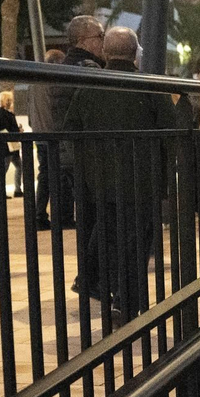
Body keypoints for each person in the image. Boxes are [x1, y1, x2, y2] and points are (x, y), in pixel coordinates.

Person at [67, 27, 182, 320]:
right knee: (137, 245)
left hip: (100, 182)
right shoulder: (148, 85)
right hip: (142, 181)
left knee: (109, 237)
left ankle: (99, 285)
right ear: (135, 53)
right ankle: (126, 303)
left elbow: (70, 129)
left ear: (105, 52)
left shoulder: (90, 86)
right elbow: (173, 130)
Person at [29, 48, 73, 229]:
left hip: (39, 135)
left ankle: (40, 214)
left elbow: (31, 113)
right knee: (60, 178)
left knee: (45, 177)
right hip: (54, 135)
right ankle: (62, 216)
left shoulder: (33, 83)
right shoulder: (54, 83)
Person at [0, 89, 23, 198]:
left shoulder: (1, 113)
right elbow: (9, 129)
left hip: (9, 146)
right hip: (9, 146)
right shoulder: (6, 114)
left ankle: (16, 189)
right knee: (6, 168)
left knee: (17, 166)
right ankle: (12, 190)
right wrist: (18, 130)